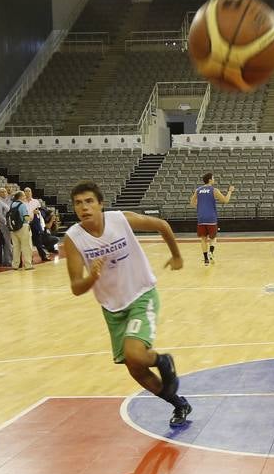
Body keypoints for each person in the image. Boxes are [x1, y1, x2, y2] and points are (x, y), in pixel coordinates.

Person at [60, 181, 191, 426]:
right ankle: (179, 404)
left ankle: (163, 361)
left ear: (101, 204)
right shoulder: (73, 239)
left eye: (89, 201)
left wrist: (176, 255)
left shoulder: (119, 220)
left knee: (136, 354)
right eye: (78, 203)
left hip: (141, 294)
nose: (84, 207)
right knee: (135, 369)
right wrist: (93, 277)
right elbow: (77, 288)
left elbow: (162, 225)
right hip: (112, 308)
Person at [189, 173, 234, 265]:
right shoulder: (214, 190)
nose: (214, 179)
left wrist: (201, 205)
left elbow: (192, 203)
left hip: (201, 217)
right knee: (213, 238)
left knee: (203, 239)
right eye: (213, 178)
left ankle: (206, 259)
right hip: (211, 217)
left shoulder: (198, 190)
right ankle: (211, 252)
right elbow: (225, 200)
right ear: (209, 180)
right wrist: (230, 191)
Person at [7, 190, 34, 271]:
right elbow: (25, 217)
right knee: (26, 247)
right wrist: (31, 217)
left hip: (13, 229)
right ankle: (28, 265)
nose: (25, 197)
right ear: (21, 197)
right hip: (23, 227)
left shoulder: (12, 205)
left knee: (16, 247)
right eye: (24, 196)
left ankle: (15, 265)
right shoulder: (22, 205)